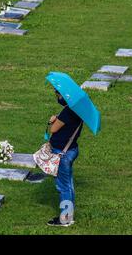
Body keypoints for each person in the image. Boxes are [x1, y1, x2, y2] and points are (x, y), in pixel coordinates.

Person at [46, 89, 83, 227]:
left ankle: (65, 218)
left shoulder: (68, 111)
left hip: (63, 153)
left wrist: (53, 120)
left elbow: (53, 129)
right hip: (72, 149)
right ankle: (69, 215)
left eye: (58, 94)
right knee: (68, 185)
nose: (57, 97)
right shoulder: (77, 110)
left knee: (63, 187)